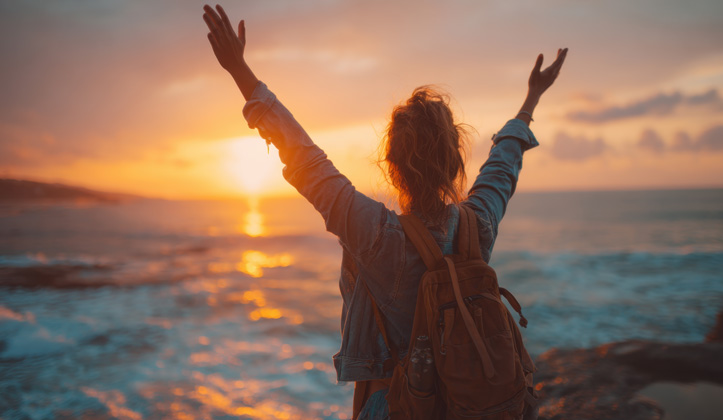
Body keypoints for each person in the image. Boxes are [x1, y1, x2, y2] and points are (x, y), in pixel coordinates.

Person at [202, 4, 567, 419]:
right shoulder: (476, 224)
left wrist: (240, 73)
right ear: (455, 163)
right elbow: (502, 166)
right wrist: (531, 98)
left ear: (391, 167)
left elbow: (306, 161)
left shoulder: (377, 236)